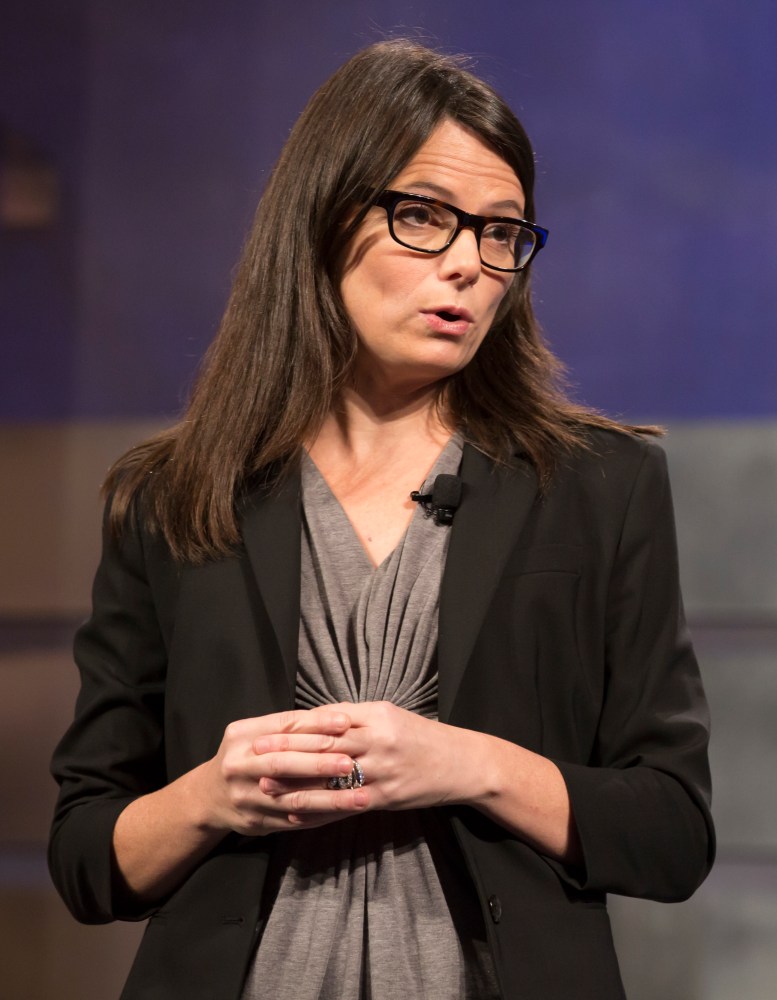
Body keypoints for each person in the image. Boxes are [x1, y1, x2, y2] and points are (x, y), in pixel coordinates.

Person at [49, 39, 713, 1000]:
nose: (468, 267)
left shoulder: (598, 485)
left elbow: (673, 832)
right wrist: (212, 794)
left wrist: (467, 763)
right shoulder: (172, 497)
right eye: (423, 218)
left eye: (501, 234)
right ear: (323, 219)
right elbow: (83, 857)